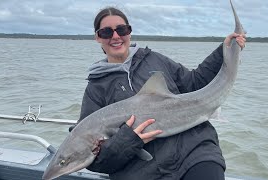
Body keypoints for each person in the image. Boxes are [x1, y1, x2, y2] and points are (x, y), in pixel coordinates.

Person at [72, 7, 246, 180]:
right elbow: (97, 162)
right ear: (97, 37)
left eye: (122, 29)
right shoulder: (95, 89)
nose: (115, 36)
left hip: (194, 154)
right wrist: (128, 140)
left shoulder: (154, 60)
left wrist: (224, 50)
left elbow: (193, 83)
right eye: (106, 32)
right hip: (142, 172)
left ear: (129, 32)